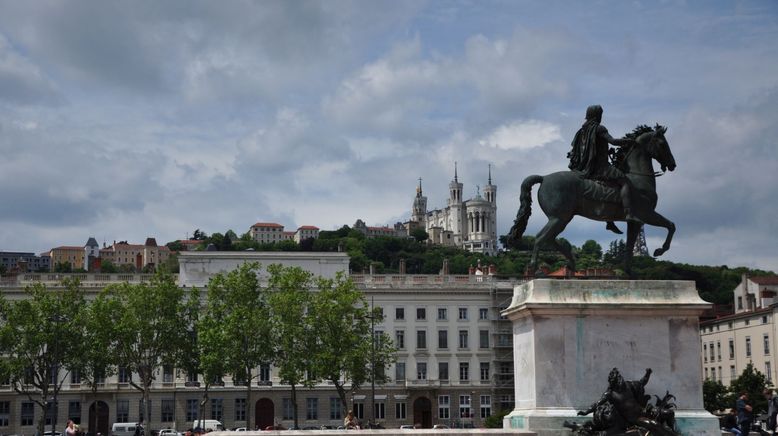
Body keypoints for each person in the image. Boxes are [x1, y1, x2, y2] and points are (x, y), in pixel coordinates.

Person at [567, 105, 640, 230]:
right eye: (600, 114)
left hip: (584, 166)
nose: (601, 117)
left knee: (610, 187)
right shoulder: (599, 128)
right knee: (625, 182)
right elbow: (613, 141)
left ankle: (610, 221)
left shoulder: (581, 131)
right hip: (600, 167)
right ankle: (629, 213)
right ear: (596, 115)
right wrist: (629, 141)